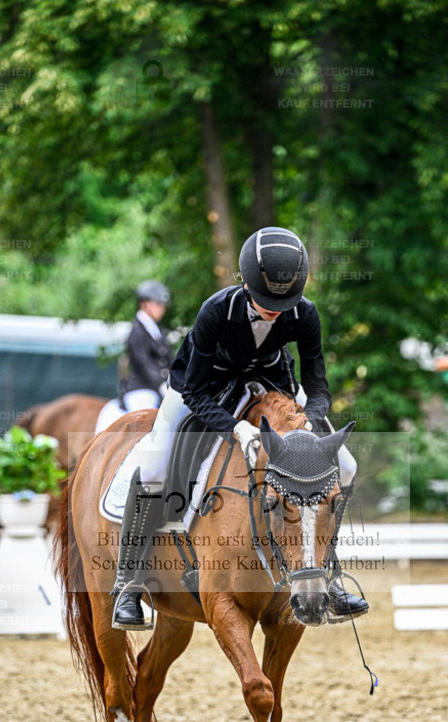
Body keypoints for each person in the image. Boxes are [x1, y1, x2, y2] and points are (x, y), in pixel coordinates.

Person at [110, 226, 369, 629]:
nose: (274, 310)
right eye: (267, 301)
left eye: (283, 302)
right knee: (156, 466)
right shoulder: (217, 310)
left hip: (271, 386)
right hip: (202, 389)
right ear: (245, 283)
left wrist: (311, 425)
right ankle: (128, 586)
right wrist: (237, 429)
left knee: (347, 465)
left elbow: (317, 385)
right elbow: (194, 393)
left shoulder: (303, 312)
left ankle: (329, 574)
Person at [94, 280, 172, 433]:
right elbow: (143, 364)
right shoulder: (137, 331)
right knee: (145, 423)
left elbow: (169, 361)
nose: (162, 309)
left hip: (161, 387)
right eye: (158, 304)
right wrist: (162, 383)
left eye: (163, 305)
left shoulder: (158, 331)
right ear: (144, 304)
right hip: (142, 388)